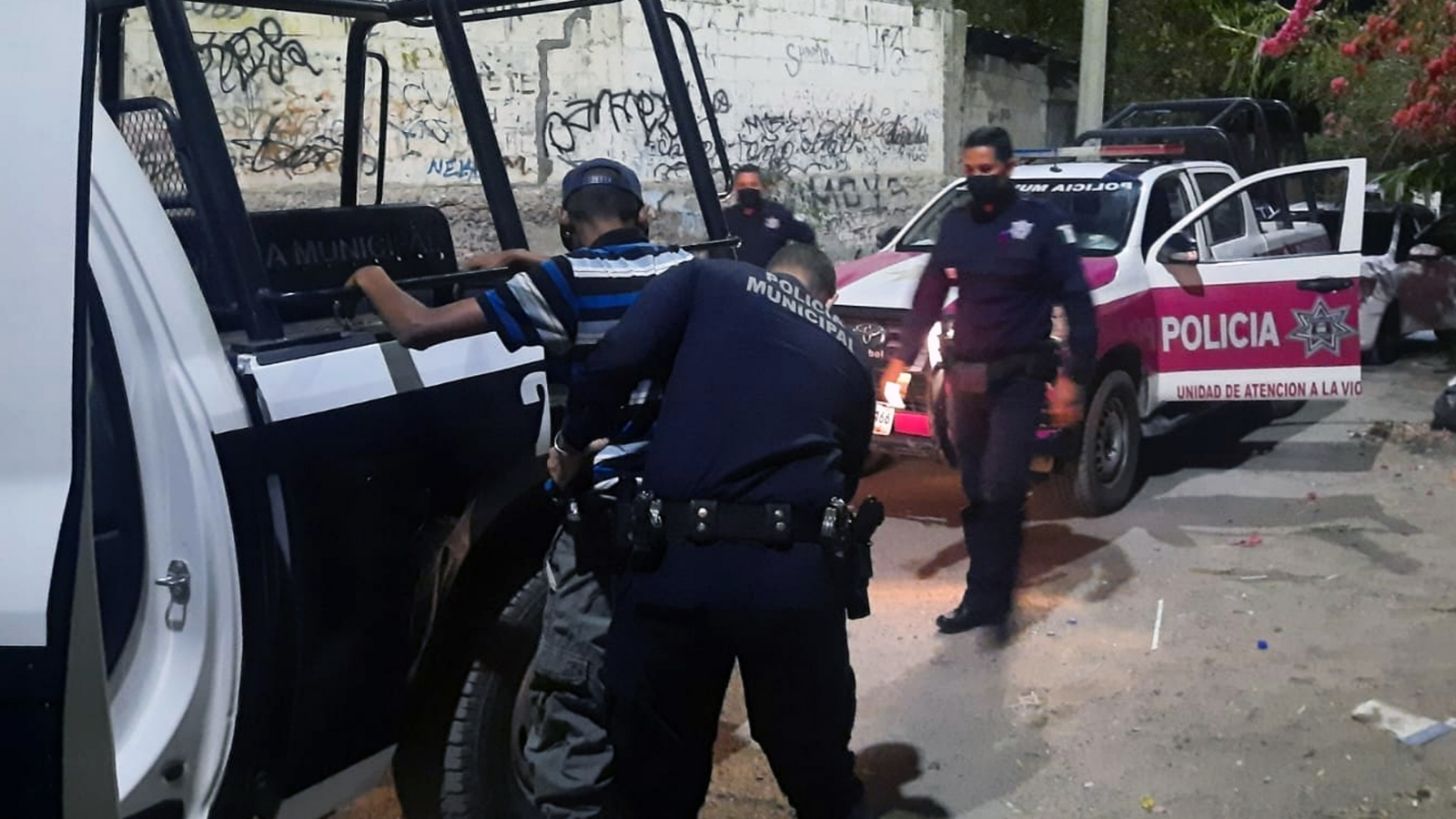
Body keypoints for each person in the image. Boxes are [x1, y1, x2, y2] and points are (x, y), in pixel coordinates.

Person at [348, 158, 693, 819]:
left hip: (606, 515)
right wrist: (525, 263)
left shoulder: (562, 284)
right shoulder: (680, 270)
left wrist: (370, 276)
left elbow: (417, 326)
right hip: (679, 505)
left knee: (572, 686)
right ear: (644, 214)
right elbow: (610, 276)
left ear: (564, 219)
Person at [550, 243, 875, 819]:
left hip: (678, 567)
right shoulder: (850, 351)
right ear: (826, 298)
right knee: (819, 770)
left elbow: (616, 359)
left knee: (655, 777)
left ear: (769, 273)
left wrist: (572, 444)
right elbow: (845, 477)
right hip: (795, 583)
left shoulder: (707, 279)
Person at [879, 126, 1097, 636]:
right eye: (969, 170)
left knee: (1001, 487)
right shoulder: (957, 225)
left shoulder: (1040, 224)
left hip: (1019, 378)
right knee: (977, 488)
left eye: (987, 170)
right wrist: (900, 360)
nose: (977, 179)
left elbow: (1077, 301)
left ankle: (987, 597)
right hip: (966, 378)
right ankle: (989, 588)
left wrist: (1074, 377)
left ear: (1009, 167)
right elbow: (929, 294)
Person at [723, 164, 817, 267]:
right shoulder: (726, 219)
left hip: (769, 275)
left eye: (753, 184)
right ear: (735, 188)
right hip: (737, 275)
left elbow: (806, 236)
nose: (748, 189)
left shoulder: (777, 213)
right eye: (742, 185)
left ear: (762, 187)